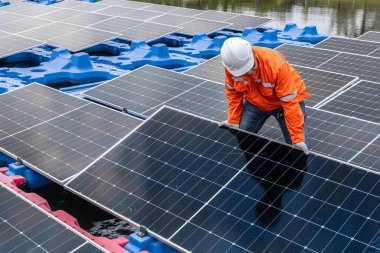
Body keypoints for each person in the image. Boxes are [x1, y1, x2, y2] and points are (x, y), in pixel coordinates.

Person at [219, 37, 311, 155]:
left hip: (283, 105)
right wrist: (233, 119)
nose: (250, 73)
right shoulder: (233, 66)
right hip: (256, 103)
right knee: (241, 134)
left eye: (251, 68)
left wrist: (297, 138)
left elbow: (290, 103)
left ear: (252, 54)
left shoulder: (275, 65)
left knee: (297, 149)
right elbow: (233, 92)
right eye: (244, 72)